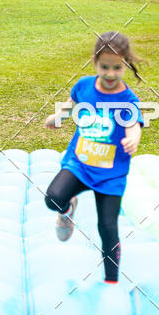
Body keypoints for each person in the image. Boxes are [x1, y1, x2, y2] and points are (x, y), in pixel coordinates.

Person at [43, 31, 144, 284]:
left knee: (107, 228)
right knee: (53, 198)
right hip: (80, 165)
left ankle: (111, 281)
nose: (110, 74)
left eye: (117, 68)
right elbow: (71, 104)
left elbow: (134, 125)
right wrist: (58, 118)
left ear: (126, 64)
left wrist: (134, 138)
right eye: (104, 67)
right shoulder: (84, 86)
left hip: (110, 175)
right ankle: (67, 211)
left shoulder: (128, 100)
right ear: (95, 63)